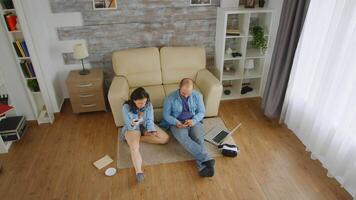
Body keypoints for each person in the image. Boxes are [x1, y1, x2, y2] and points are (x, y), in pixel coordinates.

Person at [162, 78, 215, 177]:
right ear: (179, 87)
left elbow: (201, 112)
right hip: (177, 123)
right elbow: (166, 115)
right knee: (184, 139)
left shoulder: (198, 96)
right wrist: (176, 122)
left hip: (193, 121)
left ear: (192, 89)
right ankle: (207, 158)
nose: (186, 95)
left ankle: (202, 167)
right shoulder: (170, 98)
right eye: (183, 93)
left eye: (188, 93)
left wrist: (194, 121)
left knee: (199, 138)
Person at [121, 87, 170, 183]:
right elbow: (129, 124)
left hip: (145, 126)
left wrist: (150, 130)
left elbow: (150, 120)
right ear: (133, 100)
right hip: (132, 128)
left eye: (144, 102)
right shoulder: (126, 107)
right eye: (139, 103)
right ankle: (138, 171)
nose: (142, 105)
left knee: (165, 139)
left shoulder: (148, 105)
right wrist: (135, 122)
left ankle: (133, 139)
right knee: (134, 147)